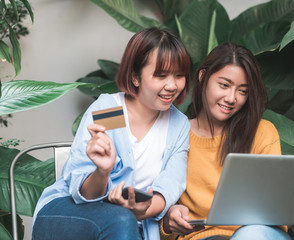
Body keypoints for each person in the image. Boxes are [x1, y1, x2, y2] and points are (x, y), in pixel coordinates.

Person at [32, 27, 191, 240]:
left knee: (124, 220)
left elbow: (170, 185)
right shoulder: (111, 110)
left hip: (125, 227)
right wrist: (102, 171)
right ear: (135, 77)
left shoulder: (178, 124)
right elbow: (85, 196)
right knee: (122, 219)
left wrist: (143, 209)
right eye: (160, 75)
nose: (172, 85)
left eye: (179, 76)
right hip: (67, 215)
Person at [159, 42, 290, 240]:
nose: (231, 98)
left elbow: (276, 210)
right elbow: (161, 218)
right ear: (203, 77)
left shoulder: (262, 132)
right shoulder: (175, 134)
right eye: (224, 85)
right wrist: (169, 220)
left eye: (242, 91)